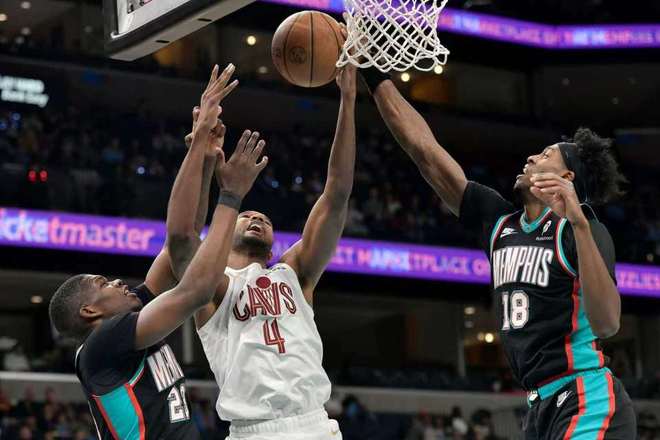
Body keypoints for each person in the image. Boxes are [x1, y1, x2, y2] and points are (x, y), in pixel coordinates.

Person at [360, 69, 637, 439]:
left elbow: (607, 324)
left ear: (568, 178)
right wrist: (373, 75)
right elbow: (424, 152)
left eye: (546, 155)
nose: (531, 157)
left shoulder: (581, 230)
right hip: (539, 407)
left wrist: (580, 225)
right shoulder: (498, 221)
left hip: (587, 397)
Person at [48, 64, 268, 440]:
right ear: (90, 311)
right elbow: (197, 289)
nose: (119, 282)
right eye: (104, 283)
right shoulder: (104, 343)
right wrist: (230, 195)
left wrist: (205, 155)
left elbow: (179, 241)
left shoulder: (128, 325)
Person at [165, 64, 358, 439]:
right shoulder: (213, 285)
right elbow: (182, 238)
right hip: (254, 430)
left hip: (316, 424)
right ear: (225, 231)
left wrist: (348, 100)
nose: (256, 218)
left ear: (272, 245)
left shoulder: (296, 272)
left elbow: (337, 194)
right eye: (247, 216)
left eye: (264, 218)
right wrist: (203, 151)